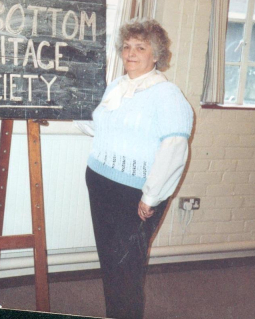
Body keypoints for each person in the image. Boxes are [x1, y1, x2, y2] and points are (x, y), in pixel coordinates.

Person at [75, 18, 193, 318]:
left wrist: (151, 196)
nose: (131, 53)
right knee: (110, 262)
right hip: (101, 181)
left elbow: (174, 149)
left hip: (136, 194)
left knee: (127, 269)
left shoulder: (167, 95)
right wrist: (65, 109)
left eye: (140, 47)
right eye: (127, 46)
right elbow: (101, 127)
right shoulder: (118, 86)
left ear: (156, 55)